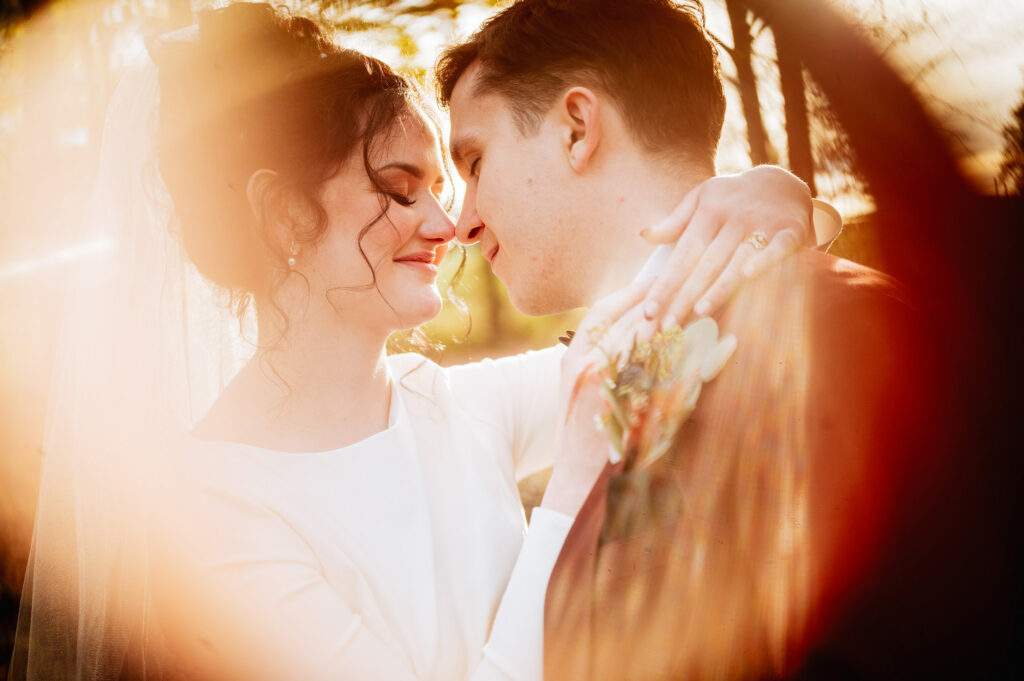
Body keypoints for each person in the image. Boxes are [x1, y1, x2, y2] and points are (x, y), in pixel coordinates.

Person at [10, 3, 828, 681]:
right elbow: (604, 404)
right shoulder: (210, 512)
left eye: (446, 184)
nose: (448, 225)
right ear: (285, 217)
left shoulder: (455, 405)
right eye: (401, 189)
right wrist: (576, 478)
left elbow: (659, 318)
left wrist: (775, 199)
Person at [434, 0, 920, 678]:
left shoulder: (843, 341)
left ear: (577, 127)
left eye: (476, 161)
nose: (461, 223)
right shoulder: (604, 381)